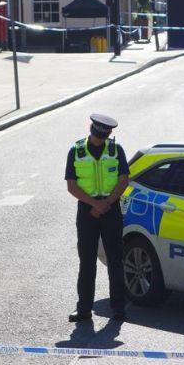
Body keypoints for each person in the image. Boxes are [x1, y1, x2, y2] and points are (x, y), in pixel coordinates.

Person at [64, 114, 130, 322]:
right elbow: (72, 186)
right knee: (87, 261)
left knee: (115, 260)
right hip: (87, 210)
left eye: (101, 137)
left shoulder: (115, 150)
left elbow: (123, 179)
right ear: (90, 130)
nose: (97, 140)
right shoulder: (76, 151)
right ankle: (84, 309)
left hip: (110, 209)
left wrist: (106, 203)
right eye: (95, 136)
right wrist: (94, 204)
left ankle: (118, 307)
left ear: (108, 134)